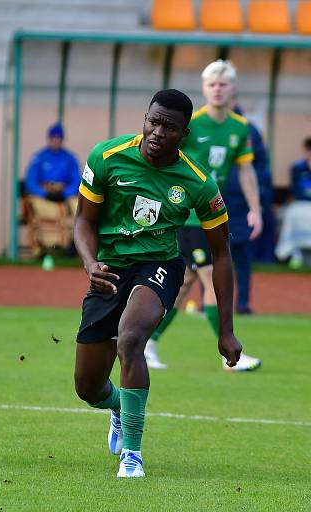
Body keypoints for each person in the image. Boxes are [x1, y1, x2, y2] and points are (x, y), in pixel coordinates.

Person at [73, 89, 243, 478]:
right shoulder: (107, 156)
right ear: (144, 118)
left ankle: (132, 455)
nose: (157, 132)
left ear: (183, 133)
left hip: (159, 265)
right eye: (153, 121)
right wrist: (89, 263)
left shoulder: (199, 183)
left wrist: (227, 331)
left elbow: (221, 254)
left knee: (132, 338)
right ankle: (118, 406)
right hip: (109, 268)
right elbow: (84, 221)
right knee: (87, 386)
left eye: (169, 127)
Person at [144, 60, 262, 372]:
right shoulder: (190, 124)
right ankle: (229, 356)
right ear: (204, 89)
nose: (218, 89)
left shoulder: (240, 128)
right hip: (188, 214)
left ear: (233, 88)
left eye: (223, 84)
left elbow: (246, 170)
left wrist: (255, 209)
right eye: (212, 84)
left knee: (184, 285)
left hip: (213, 214)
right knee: (213, 277)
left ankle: (146, 342)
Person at [224, 105, 274, 314]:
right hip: (219, 201)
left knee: (241, 256)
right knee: (213, 258)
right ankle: (209, 302)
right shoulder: (206, 127)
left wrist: (259, 198)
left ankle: (243, 302)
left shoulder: (249, 130)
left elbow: (261, 164)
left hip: (242, 204)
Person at [23, 122, 81, 258]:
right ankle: (44, 247)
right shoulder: (39, 157)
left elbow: (77, 180)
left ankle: (71, 245)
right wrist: (44, 193)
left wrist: (65, 193)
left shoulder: (70, 158)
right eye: (53, 138)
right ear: (49, 139)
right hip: (44, 196)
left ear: (62, 139)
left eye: (58, 138)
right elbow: (30, 181)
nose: (56, 141)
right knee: (40, 209)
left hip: (64, 195)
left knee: (78, 207)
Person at [275, 136, 311, 268]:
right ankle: (293, 253)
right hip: (300, 204)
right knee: (290, 214)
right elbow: (296, 191)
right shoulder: (297, 168)